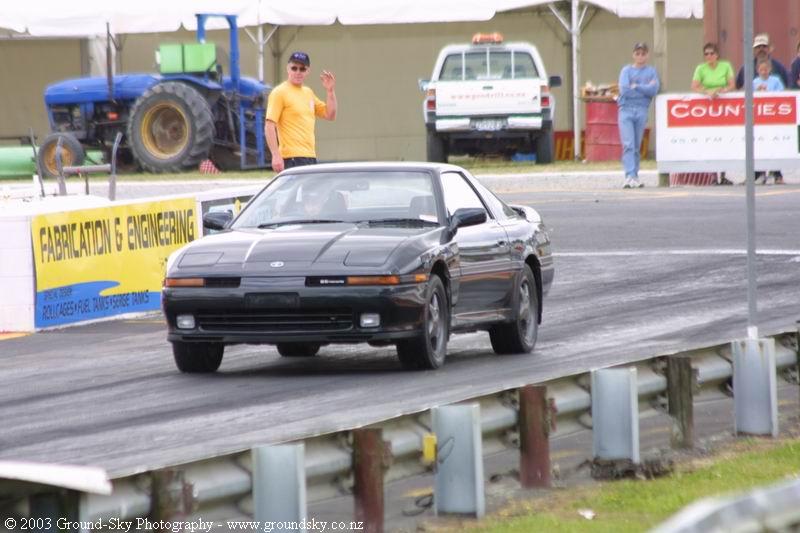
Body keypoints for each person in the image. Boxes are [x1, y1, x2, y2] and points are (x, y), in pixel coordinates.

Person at [266, 51, 337, 173]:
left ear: (308, 71)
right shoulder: (279, 92)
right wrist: (276, 155)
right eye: (294, 68)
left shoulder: (308, 93)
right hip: (291, 157)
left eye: (302, 69)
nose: (298, 72)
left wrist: (330, 91)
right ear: (288, 69)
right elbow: (269, 125)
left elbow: (330, 114)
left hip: (310, 156)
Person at [691, 42, 735, 185]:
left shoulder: (725, 66)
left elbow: (731, 84)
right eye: (706, 54)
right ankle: (713, 175)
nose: (709, 56)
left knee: (724, 139)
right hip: (707, 106)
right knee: (710, 139)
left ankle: (723, 174)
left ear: (717, 55)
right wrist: (707, 92)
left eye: (712, 53)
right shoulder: (701, 68)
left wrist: (722, 91)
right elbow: (695, 86)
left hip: (724, 106)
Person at [617, 42, 660, 189]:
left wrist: (637, 86)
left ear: (647, 55)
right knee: (628, 144)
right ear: (633, 55)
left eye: (643, 54)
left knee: (636, 145)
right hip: (626, 109)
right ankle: (629, 175)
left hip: (642, 109)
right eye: (637, 53)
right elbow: (624, 90)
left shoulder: (651, 71)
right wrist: (644, 88)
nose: (640, 56)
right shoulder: (626, 70)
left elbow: (654, 89)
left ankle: (635, 175)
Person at [753, 59, 786, 184]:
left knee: (773, 145)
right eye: (761, 69)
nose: (764, 71)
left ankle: (777, 174)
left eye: (766, 69)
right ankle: (758, 174)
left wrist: (769, 92)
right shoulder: (755, 82)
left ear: (770, 69)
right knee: (758, 146)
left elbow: (781, 93)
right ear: (757, 70)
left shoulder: (775, 80)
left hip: (773, 116)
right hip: (759, 117)